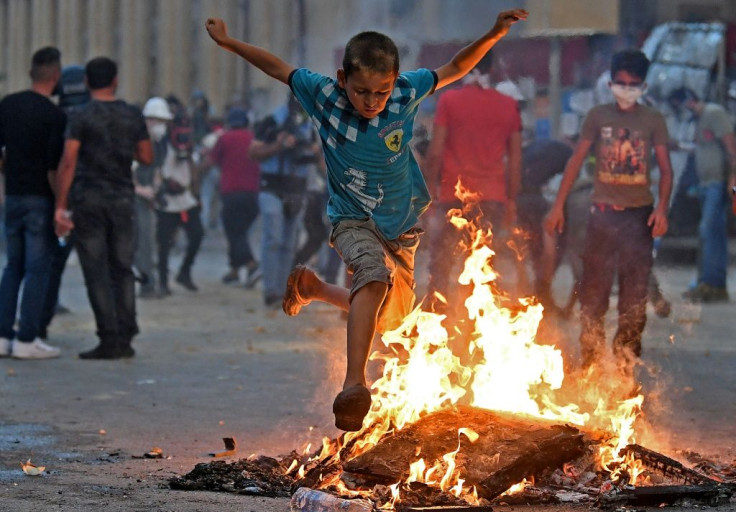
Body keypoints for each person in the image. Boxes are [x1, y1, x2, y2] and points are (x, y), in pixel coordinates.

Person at [206, 7, 528, 431]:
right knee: (372, 275)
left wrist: (493, 33)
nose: (372, 101)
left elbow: (455, 66)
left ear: (394, 81)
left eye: (381, 91)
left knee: (394, 319)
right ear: (343, 80)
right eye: (361, 91)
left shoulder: (407, 92)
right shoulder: (323, 96)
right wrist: (229, 43)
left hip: (402, 226)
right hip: (350, 219)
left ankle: (314, 288)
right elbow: (277, 66)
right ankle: (354, 384)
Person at [544, 50, 673, 374]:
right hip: (600, 215)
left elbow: (666, 170)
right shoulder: (598, 116)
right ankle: (589, 359)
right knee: (592, 294)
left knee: (634, 296)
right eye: (621, 82)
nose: (626, 89)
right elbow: (575, 162)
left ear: (643, 85)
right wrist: (558, 206)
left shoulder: (653, 120)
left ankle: (625, 361)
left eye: (633, 84)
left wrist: (661, 210)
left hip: (638, 216)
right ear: (611, 81)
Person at [54, 57, 153, 359]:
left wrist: (61, 204)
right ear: (115, 81)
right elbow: (146, 156)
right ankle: (127, 331)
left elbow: (69, 160)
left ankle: (108, 336)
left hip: (89, 200)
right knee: (122, 267)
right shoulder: (131, 115)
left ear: (86, 82)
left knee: (96, 271)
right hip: (122, 199)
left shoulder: (81, 116)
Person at [423, 53, 523, 307]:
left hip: (452, 198)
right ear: (493, 68)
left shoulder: (449, 100)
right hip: (493, 198)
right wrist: (511, 200)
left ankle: (438, 320)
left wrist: (427, 193)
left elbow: (434, 153)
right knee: (484, 264)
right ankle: (477, 328)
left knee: (442, 266)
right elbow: (515, 160)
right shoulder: (508, 105)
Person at [0, 46, 66, 359]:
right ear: (56, 77)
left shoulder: (7, 105)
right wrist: (60, 207)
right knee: (38, 269)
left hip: (12, 196)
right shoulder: (54, 115)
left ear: (30, 73)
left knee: (12, 266)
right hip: (40, 198)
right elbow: (55, 167)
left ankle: (2, 336)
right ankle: (27, 339)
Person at [249, 96, 321, 307]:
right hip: (272, 187)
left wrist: (317, 155)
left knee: (289, 243)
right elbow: (253, 152)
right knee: (273, 239)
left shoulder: (310, 127)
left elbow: (319, 160)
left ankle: (283, 291)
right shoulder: (272, 122)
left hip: (297, 189)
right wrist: (279, 145)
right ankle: (270, 290)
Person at [668, 87, 736, 303]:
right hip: (707, 183)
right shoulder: (700, 121)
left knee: (708, 230)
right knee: (712, 231)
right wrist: (677, 146)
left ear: (689, 100)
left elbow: (731, 147)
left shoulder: (714, 113)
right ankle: (712, 285)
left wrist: (733, 177)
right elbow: (701, 149)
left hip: (718, 182)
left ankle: (710, 282)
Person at [39, 64, 92, 338]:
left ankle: (40, 325)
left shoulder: (53, 118)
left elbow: (52, 166)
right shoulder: (92, 117)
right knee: (102, 267)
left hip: (61, 202)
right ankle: (114, 330)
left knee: (53, 265)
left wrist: (59, 204)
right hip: (92, 200)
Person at [205, 106, 261, 287]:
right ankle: (235, 270)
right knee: (240, 231)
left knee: (234, 233)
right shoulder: (254, 138)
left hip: (231, 192)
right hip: (253, 193)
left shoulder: (224, 138)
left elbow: (210, 161)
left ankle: (252, 265)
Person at [154, 113, 204, 295]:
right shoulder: (161, 147)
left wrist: (197, 195)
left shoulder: (189, 147)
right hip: (167, 202)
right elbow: (156, 169)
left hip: (186, 200)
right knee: (164, 244)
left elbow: (194, 170)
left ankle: (185, 272)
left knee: (197, 235)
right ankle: (163, 282)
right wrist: (165, 184)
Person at [135, 96, 174, 298]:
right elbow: (127, 170)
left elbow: (157, 168)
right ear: (148, 120)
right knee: (141, 243)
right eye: (158, 121)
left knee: (148, 242)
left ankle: (148, 283)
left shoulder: (158, 144)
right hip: (134, 198)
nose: (161, 125)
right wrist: (140, 189)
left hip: (148, 197)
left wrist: (156, 186)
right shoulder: (136, 141)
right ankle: (146, 285)